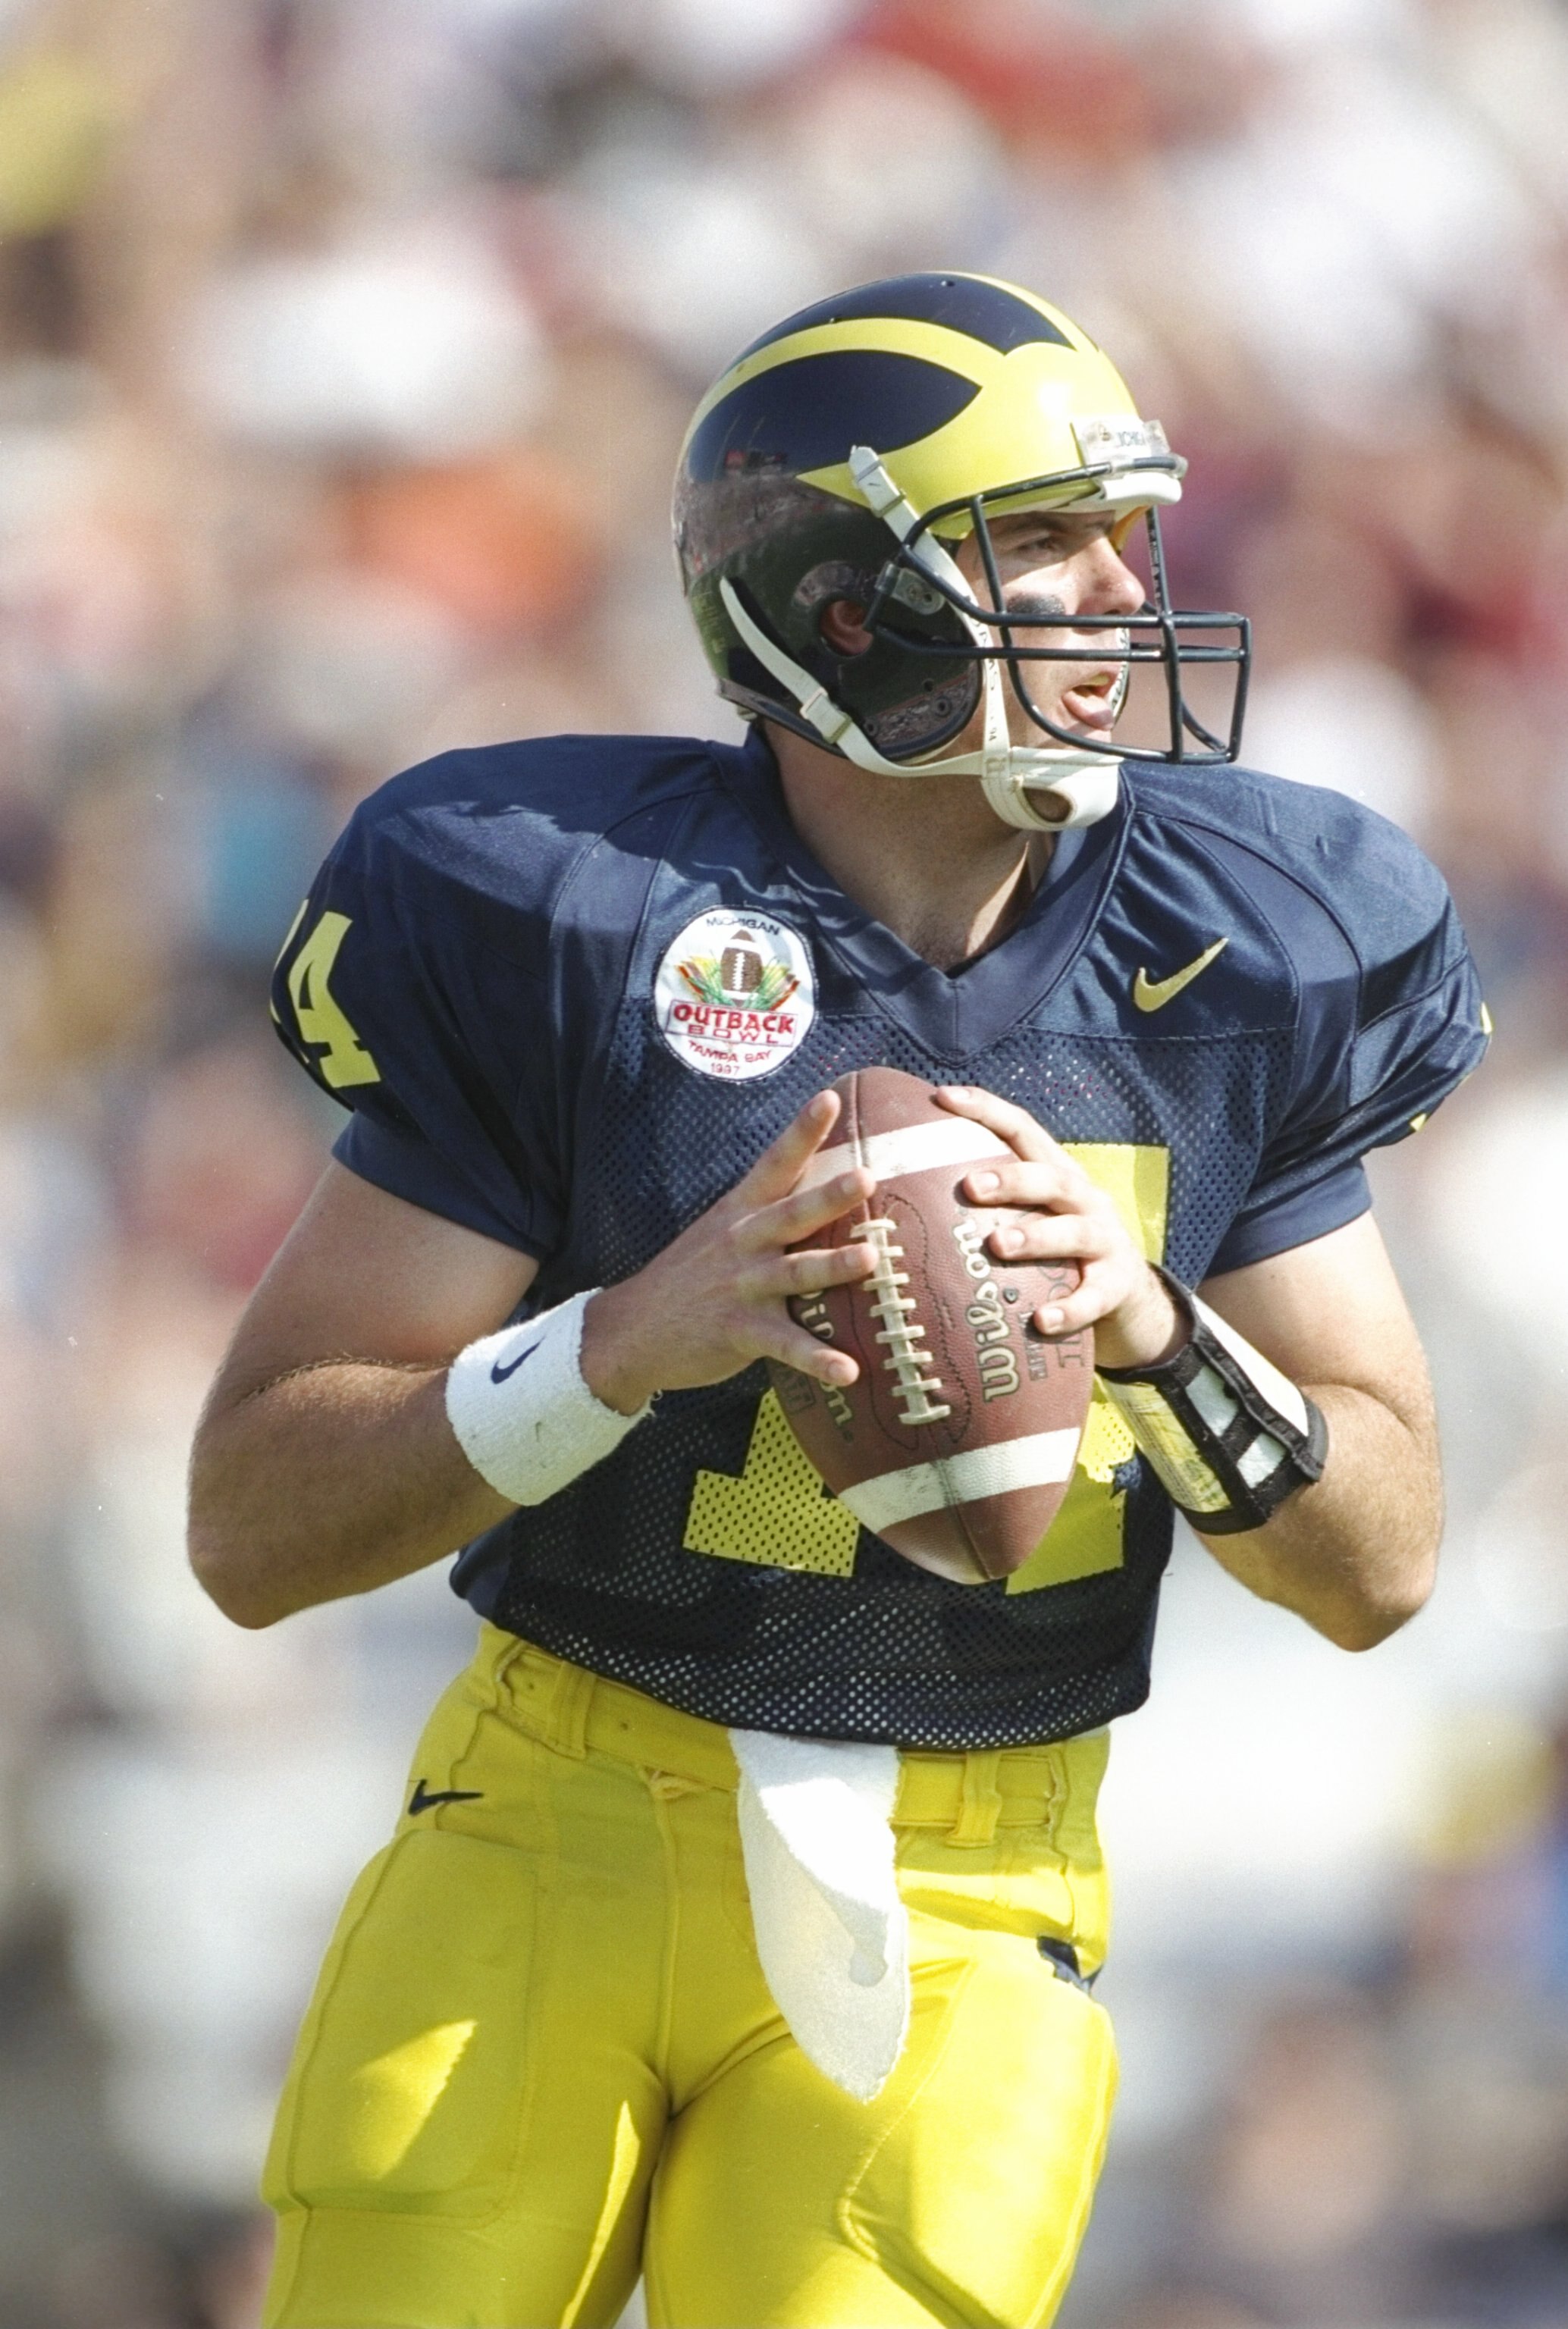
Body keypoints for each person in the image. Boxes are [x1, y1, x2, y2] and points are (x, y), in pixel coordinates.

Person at [189, 271, 1488, 2329]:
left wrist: (1154, 1335)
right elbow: (252, 1530)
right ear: (844, 604)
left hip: (982, 1881)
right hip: (556, 1820)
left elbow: (1380, 1561)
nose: (1115, 589)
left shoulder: (1259, 938)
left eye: (1116, 528)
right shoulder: (553, 904)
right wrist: (615, 1349)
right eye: (1037, 540)